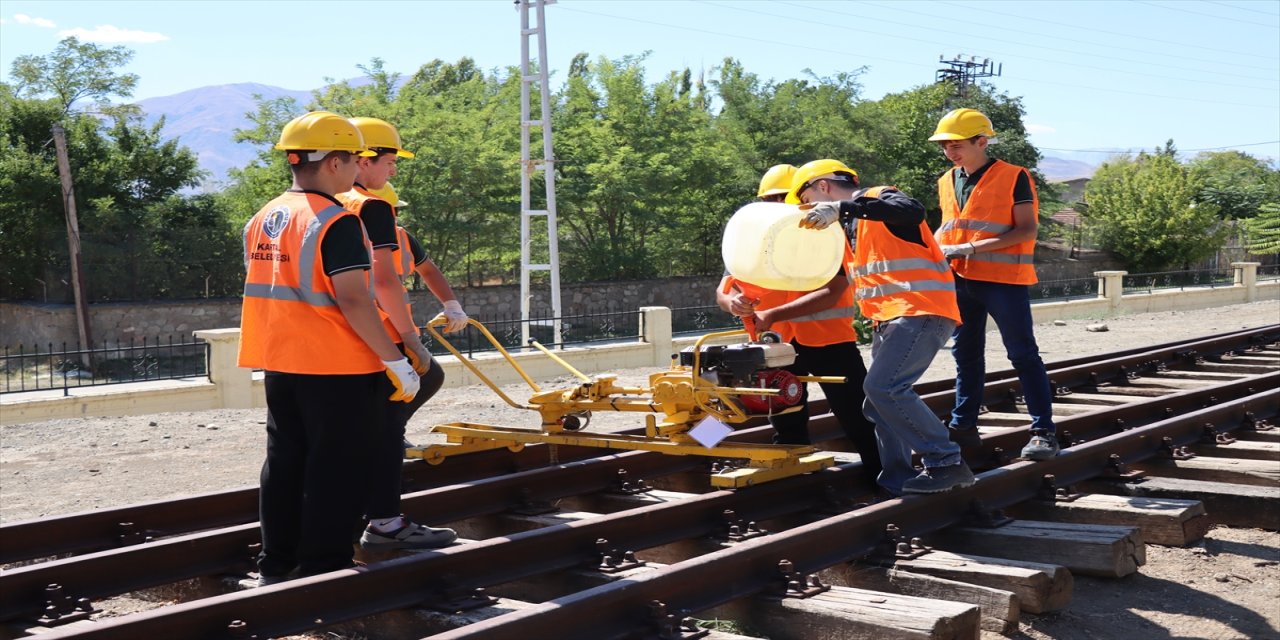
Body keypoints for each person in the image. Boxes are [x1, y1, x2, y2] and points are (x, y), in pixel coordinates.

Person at [238, 111, 421, 584]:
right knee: (337, 468)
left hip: (281, 360)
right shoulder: (335, 221)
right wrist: (395, 359)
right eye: (355, 158)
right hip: (337, 366)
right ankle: (324, 568)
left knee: (284, 463)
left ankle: (277, 564)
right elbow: (356, 299)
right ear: (336, 162)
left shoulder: (264, 217)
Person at [791, 159, 973, 495]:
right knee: (876, 403)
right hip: (890, 321)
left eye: (807, 200)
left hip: (919, 310)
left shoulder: (880, 198)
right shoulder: (852, 229)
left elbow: (912, 210)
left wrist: (842, 208)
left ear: (824, 187)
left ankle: (946, 461)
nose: (809, 210)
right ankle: (897, 481)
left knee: (884, 388)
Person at [716, 164, 882, 484]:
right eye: (771, 199)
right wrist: (732, 302)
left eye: (783, 198)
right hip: (774, 343)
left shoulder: (824, 233)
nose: (777, 206)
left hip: (828, 341)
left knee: (857, 416)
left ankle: (884, 475)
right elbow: (724, 289)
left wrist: (776, 314)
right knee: (783, 414)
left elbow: (834, 291)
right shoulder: (751, 237)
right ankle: (795, 479)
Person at [338, 118, 456, 551]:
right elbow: (384, 284)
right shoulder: (370, 209)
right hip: (376, 342)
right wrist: (410, 341)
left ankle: (320, 541)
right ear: (362, 160)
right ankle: (384, 522)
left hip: (324, 345)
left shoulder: (314, 208)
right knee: (382, 431)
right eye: (389, 161)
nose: (393, 170)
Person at [929, 108, 1058, 460]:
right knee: (965, 355)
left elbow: (1027, 229)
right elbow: (952, 224)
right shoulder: (946, 180)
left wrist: (969, 246)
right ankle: (963, 427)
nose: (950, 152)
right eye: (945, 146)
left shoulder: (1013, 176)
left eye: (956, 145)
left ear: (981, 142)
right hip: (960, 278)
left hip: (1003, 281)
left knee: (1021, 353)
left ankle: (1043, 432)